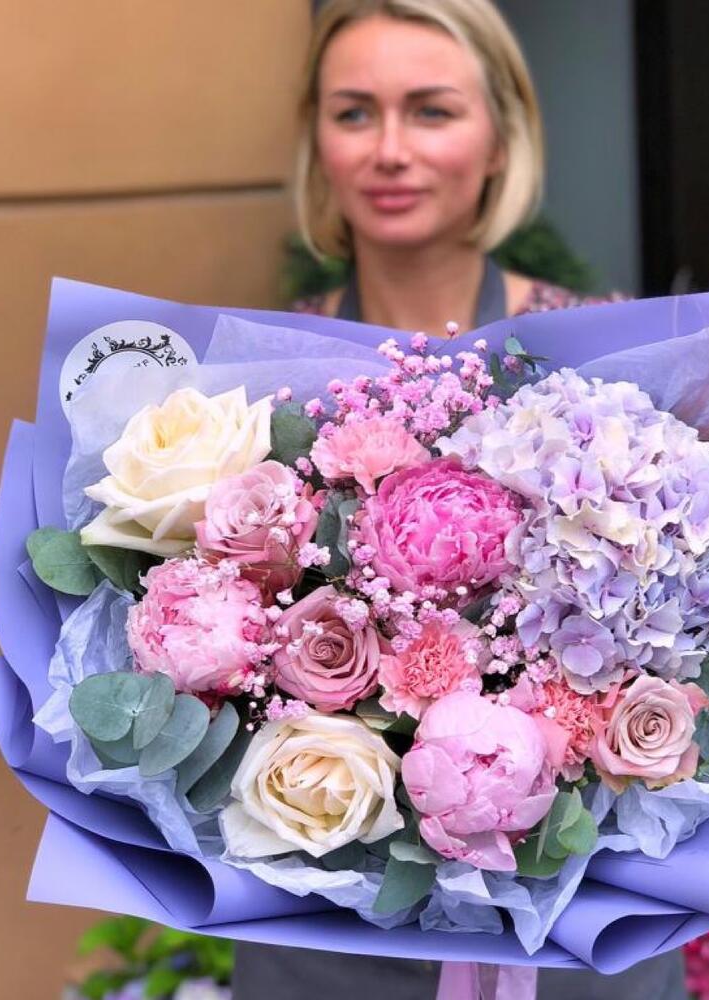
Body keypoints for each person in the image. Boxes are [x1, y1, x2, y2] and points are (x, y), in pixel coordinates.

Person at [234, 2, 684, 997]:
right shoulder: (263, 380)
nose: (390, 150)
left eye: (431, 111)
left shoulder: (603, 353)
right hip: (325, 920)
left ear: (501, 139)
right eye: (355, 113)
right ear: (317, 139)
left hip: (572, 913)